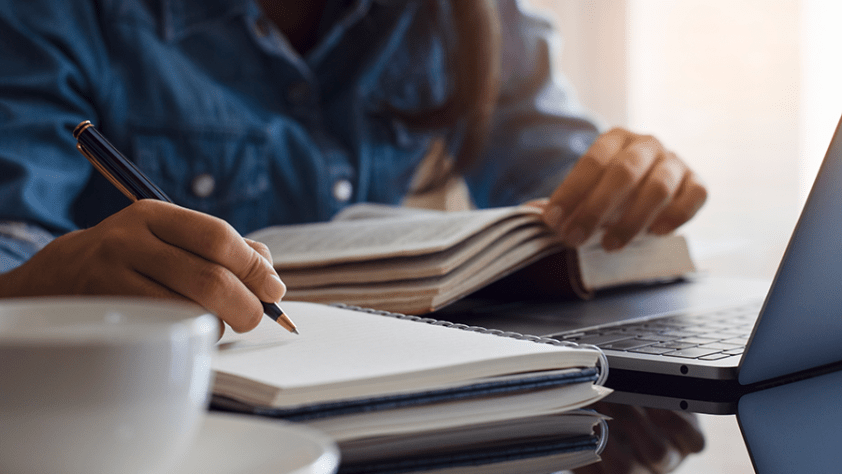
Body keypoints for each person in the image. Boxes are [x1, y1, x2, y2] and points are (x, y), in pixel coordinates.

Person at [0, 1, 707, 472]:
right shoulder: (57, 17)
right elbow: (13, 239)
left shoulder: (465, 16)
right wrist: (38, 285)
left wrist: (633, 182)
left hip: (398, 424)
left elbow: (563, 184)